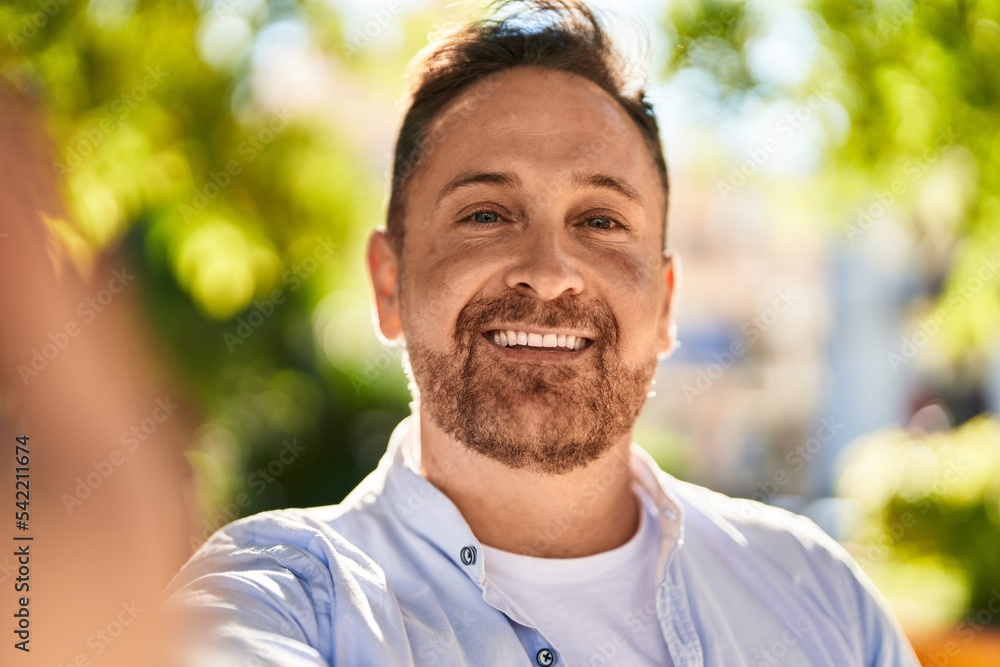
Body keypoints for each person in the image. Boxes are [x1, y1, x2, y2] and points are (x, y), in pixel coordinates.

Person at [162, 1, 920, 665]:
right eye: (486, 214)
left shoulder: (818, 595)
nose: (550, 271)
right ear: (389, 282)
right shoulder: (278, 602)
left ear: (664, 303)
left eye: (600, 220)